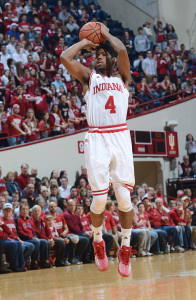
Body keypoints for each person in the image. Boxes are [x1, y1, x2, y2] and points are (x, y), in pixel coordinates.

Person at [60, 22, 135, 277]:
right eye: (96, 56)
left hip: (120, 137)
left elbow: (122, 50)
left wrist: (105, 32)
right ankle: (98, 240)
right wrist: (86, 42)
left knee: (125, 200)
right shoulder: (88, 79)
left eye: (103, 55)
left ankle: (125, 248)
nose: (99, 58)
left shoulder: (122, 77)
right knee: (101, 200)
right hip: (98, 138)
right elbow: (64, 57)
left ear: (111, 60)